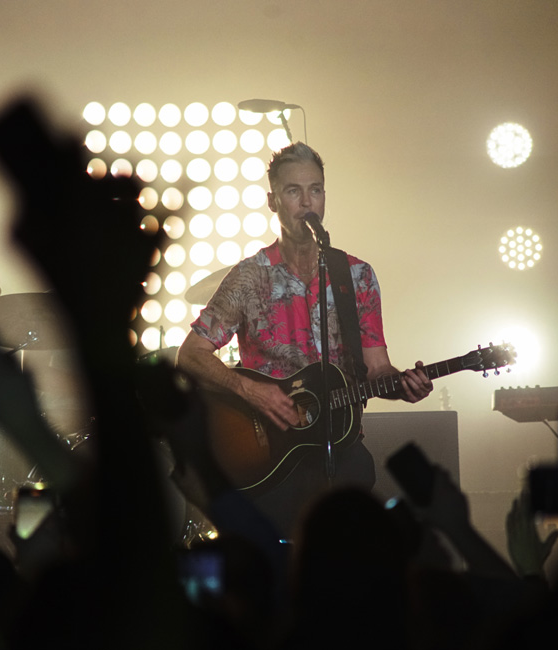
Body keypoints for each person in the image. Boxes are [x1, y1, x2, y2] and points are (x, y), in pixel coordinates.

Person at [176, 142, 433, 537]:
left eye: (315, 190)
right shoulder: (249, 277)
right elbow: (191, 355)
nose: (307, 202)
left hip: (341, 447)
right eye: (293, 191)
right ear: (273, 201)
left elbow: (377, 368)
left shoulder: (357, 276)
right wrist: (249, 391)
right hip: (270, 456)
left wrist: (403, 385)